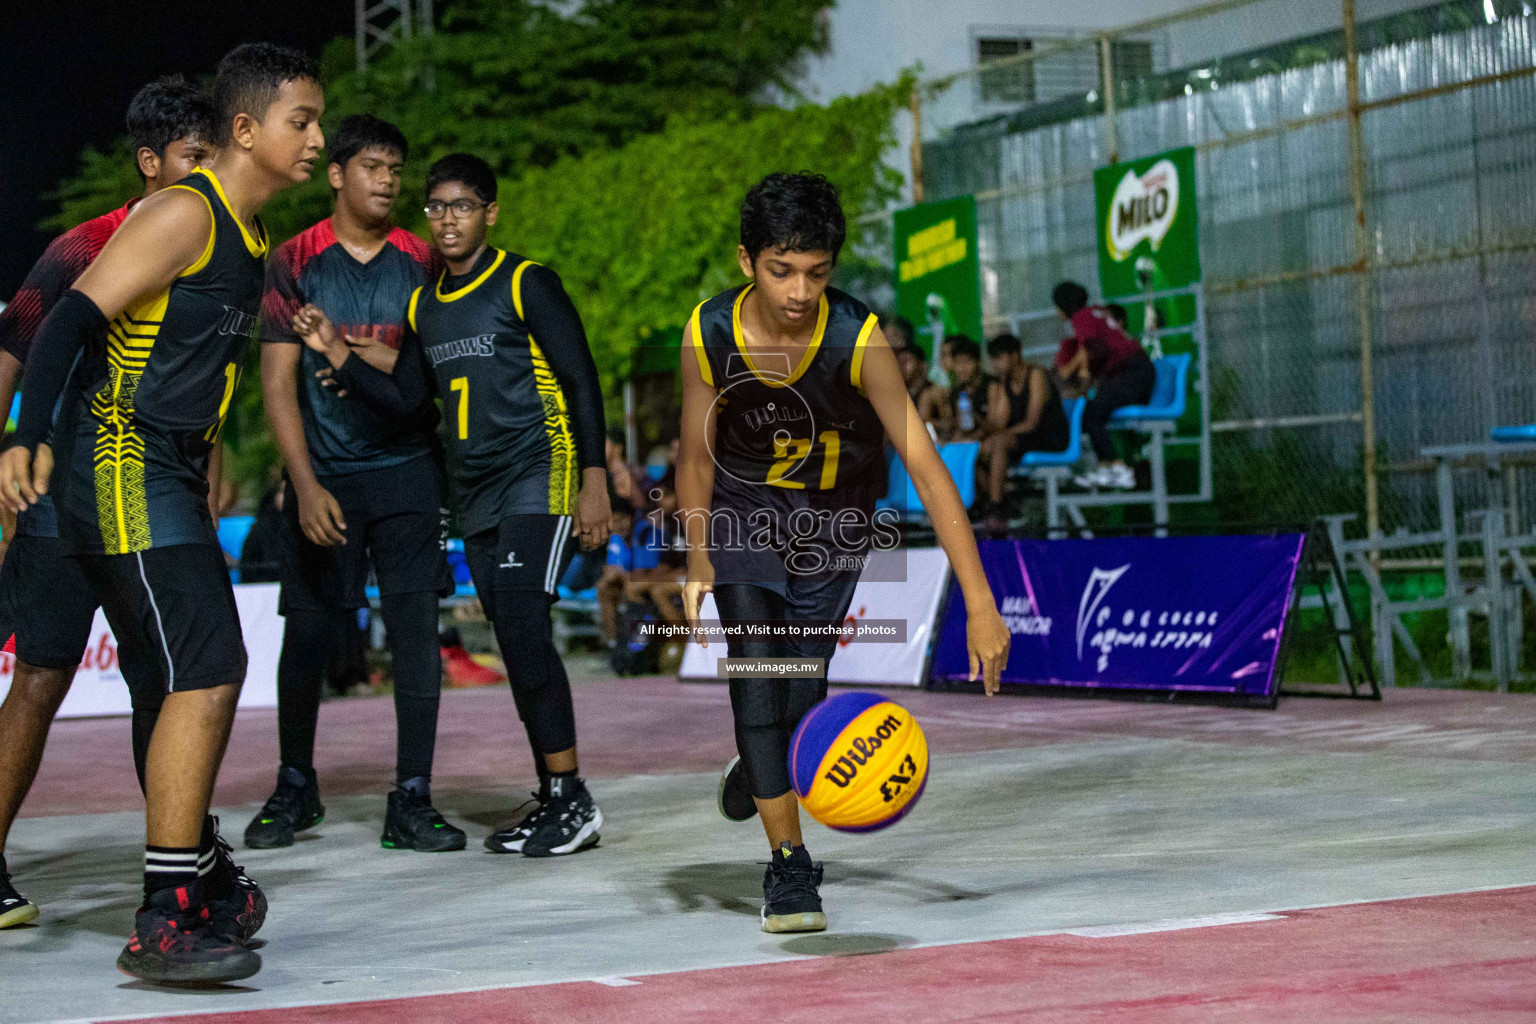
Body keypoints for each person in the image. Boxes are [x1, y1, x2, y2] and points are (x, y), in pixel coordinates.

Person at [0, 43, 324, 983]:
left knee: (178, 673)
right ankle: (169, 906)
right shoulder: (185, 212)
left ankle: (194, 871)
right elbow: (66, 319)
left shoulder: (250, 236)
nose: (314, 137)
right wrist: (22, 435)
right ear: (245, 129)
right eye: (301, 120)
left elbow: (188, 368)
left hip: (168, 470)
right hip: (121, 465)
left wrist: (213, 454)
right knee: (204, 666)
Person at [676, 172, 1010, 934]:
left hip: (833, 529)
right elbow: (695, 455)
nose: (799, 291)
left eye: (818, 273)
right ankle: (790, 871)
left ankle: (760, 764)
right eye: (780, 270)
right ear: (745, 261)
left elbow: (925, 467)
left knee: (800, 698)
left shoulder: (857, 339)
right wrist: (698, 556)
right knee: (759, 686)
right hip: (744, 517)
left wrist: (982, 605)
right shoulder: (711, 331)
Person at [293, 153, 612, 858]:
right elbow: (409, 401)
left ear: (490, 213)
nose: (447, 220)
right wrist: (335, 353)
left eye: (462, 206)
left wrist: (595, 476)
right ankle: (554, 794)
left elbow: (581, 379)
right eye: (436, 208)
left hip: (540, 466)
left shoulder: (528, 283)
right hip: (476, 488)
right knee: (511, 630)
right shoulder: (424, 302)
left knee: (524, 619)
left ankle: (571, 797)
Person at [248, 113, 459, 853]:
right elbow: (277, 383)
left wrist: (353, 352)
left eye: (397, 169)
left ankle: (413, 798)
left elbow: (426, 377)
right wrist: (303, 484)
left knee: (415, 637)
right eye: (373, 166)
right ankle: (295, 786)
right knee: (306, 634)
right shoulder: (292, 260)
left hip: (407, 476)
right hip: (326, 479)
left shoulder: (425, 262)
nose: (388, 181)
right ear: (337, 174)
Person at [1051, 281, 1154, 490]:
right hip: (1138, 371)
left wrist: (1074, 370)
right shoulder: (1097, 312)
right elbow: (1100, 353)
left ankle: (1118, 468)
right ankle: (1106, 467)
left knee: (1091, 414)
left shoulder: (1081, 317)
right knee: (1093, 410)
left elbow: (1093, 349)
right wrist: (1082, 384)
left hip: (1132, 374)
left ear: (1063, 306)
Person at [976, 333, 1071, 528]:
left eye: (999, 358)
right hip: (1024, 439)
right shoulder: (1005, 383)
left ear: (1015, 355)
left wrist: (1001, 435)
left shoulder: (1036, 375)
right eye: (993, 359)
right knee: (978, 450)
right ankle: (998, 503)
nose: (996, 365)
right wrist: (976, 417)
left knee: (999, 443)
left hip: (1049, 438)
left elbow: (1032, 422)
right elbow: (999, 425)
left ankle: (996, 507)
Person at [935, 335, 992, 443]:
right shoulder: (956, 392)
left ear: (977, 362)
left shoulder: (991, 385)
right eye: (957, 363)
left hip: (990, 439)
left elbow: (996, 427)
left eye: (966, 362)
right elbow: (959, 425)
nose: (961, 368)